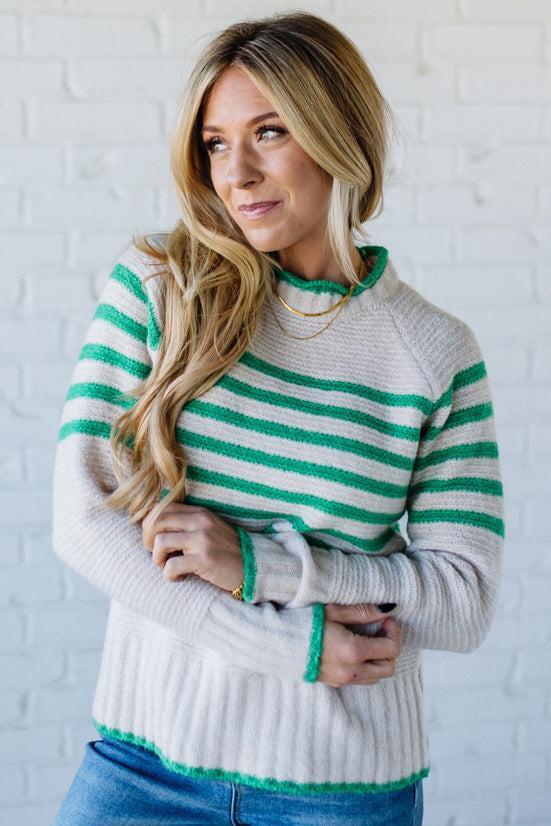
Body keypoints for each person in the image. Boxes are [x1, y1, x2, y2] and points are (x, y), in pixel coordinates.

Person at [50, 10, 504, 826]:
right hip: (143, 766)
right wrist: (283, 645)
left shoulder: (431, 352)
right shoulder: (161, 287)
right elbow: (84, 522)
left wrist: (269, 569)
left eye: (269, 132)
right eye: (216, 144)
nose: (238, 174)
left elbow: (461, 600)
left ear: (340, 136)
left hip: (340, 791)